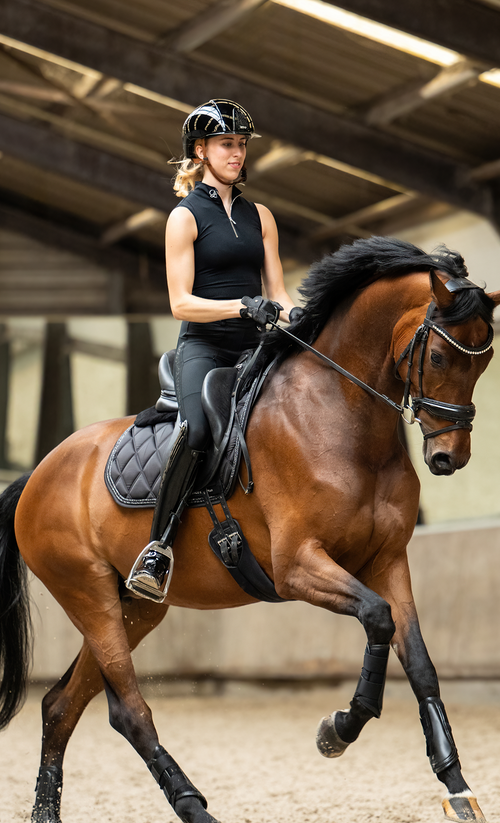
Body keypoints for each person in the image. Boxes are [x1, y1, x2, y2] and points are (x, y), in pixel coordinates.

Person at [126, 99, 299, 603]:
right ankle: (158, 548)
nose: (237, 154)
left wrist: (306, 320)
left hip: (255, 347)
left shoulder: (260, 216)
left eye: (241, 145)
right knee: (198, 429)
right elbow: (180, 303)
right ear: (200, 151)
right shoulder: (184, 217)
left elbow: (279, 293)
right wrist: (242, 307)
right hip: (204, 347)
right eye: (227, 144)